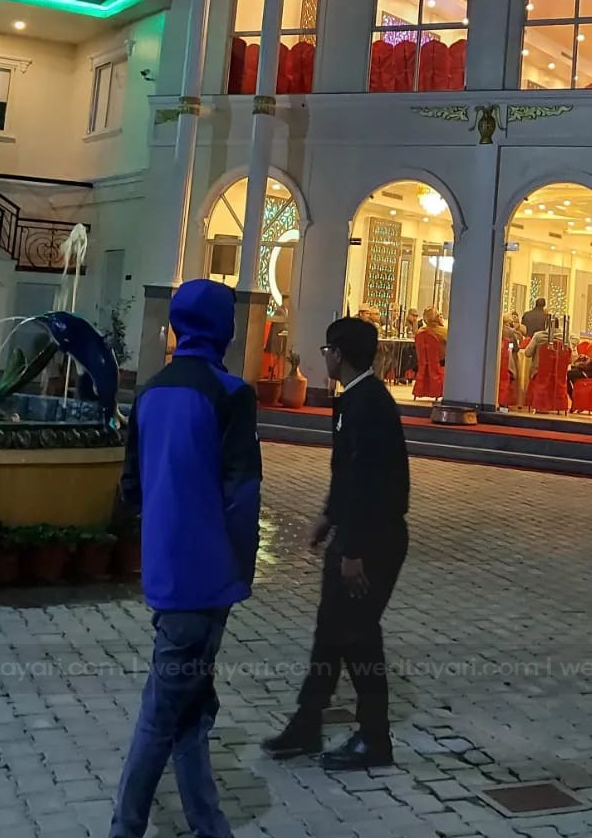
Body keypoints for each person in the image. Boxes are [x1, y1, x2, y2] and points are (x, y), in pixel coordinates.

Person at [111, 279, 262, 838]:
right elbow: (241, 494)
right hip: (208, 575)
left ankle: (208, 825)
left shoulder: (150, 391)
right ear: (224, 328)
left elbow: (130, 488)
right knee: (161, 715)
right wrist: (240, 570)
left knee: (192, 710)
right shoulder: (230, 394)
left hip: (165, 570)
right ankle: (125, 827)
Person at [263, 317, 409, 771]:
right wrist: (328, 516)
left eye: (327, 350)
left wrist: (352, 551)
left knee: (359, 637)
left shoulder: (368, 404)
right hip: (355, 531)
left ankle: (374, 738)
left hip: (372, 539)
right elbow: (345, 472)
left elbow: (370, 482)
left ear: (339, 354)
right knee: (330, 631)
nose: (323, 357)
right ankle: (307, 722)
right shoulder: (355, 399)